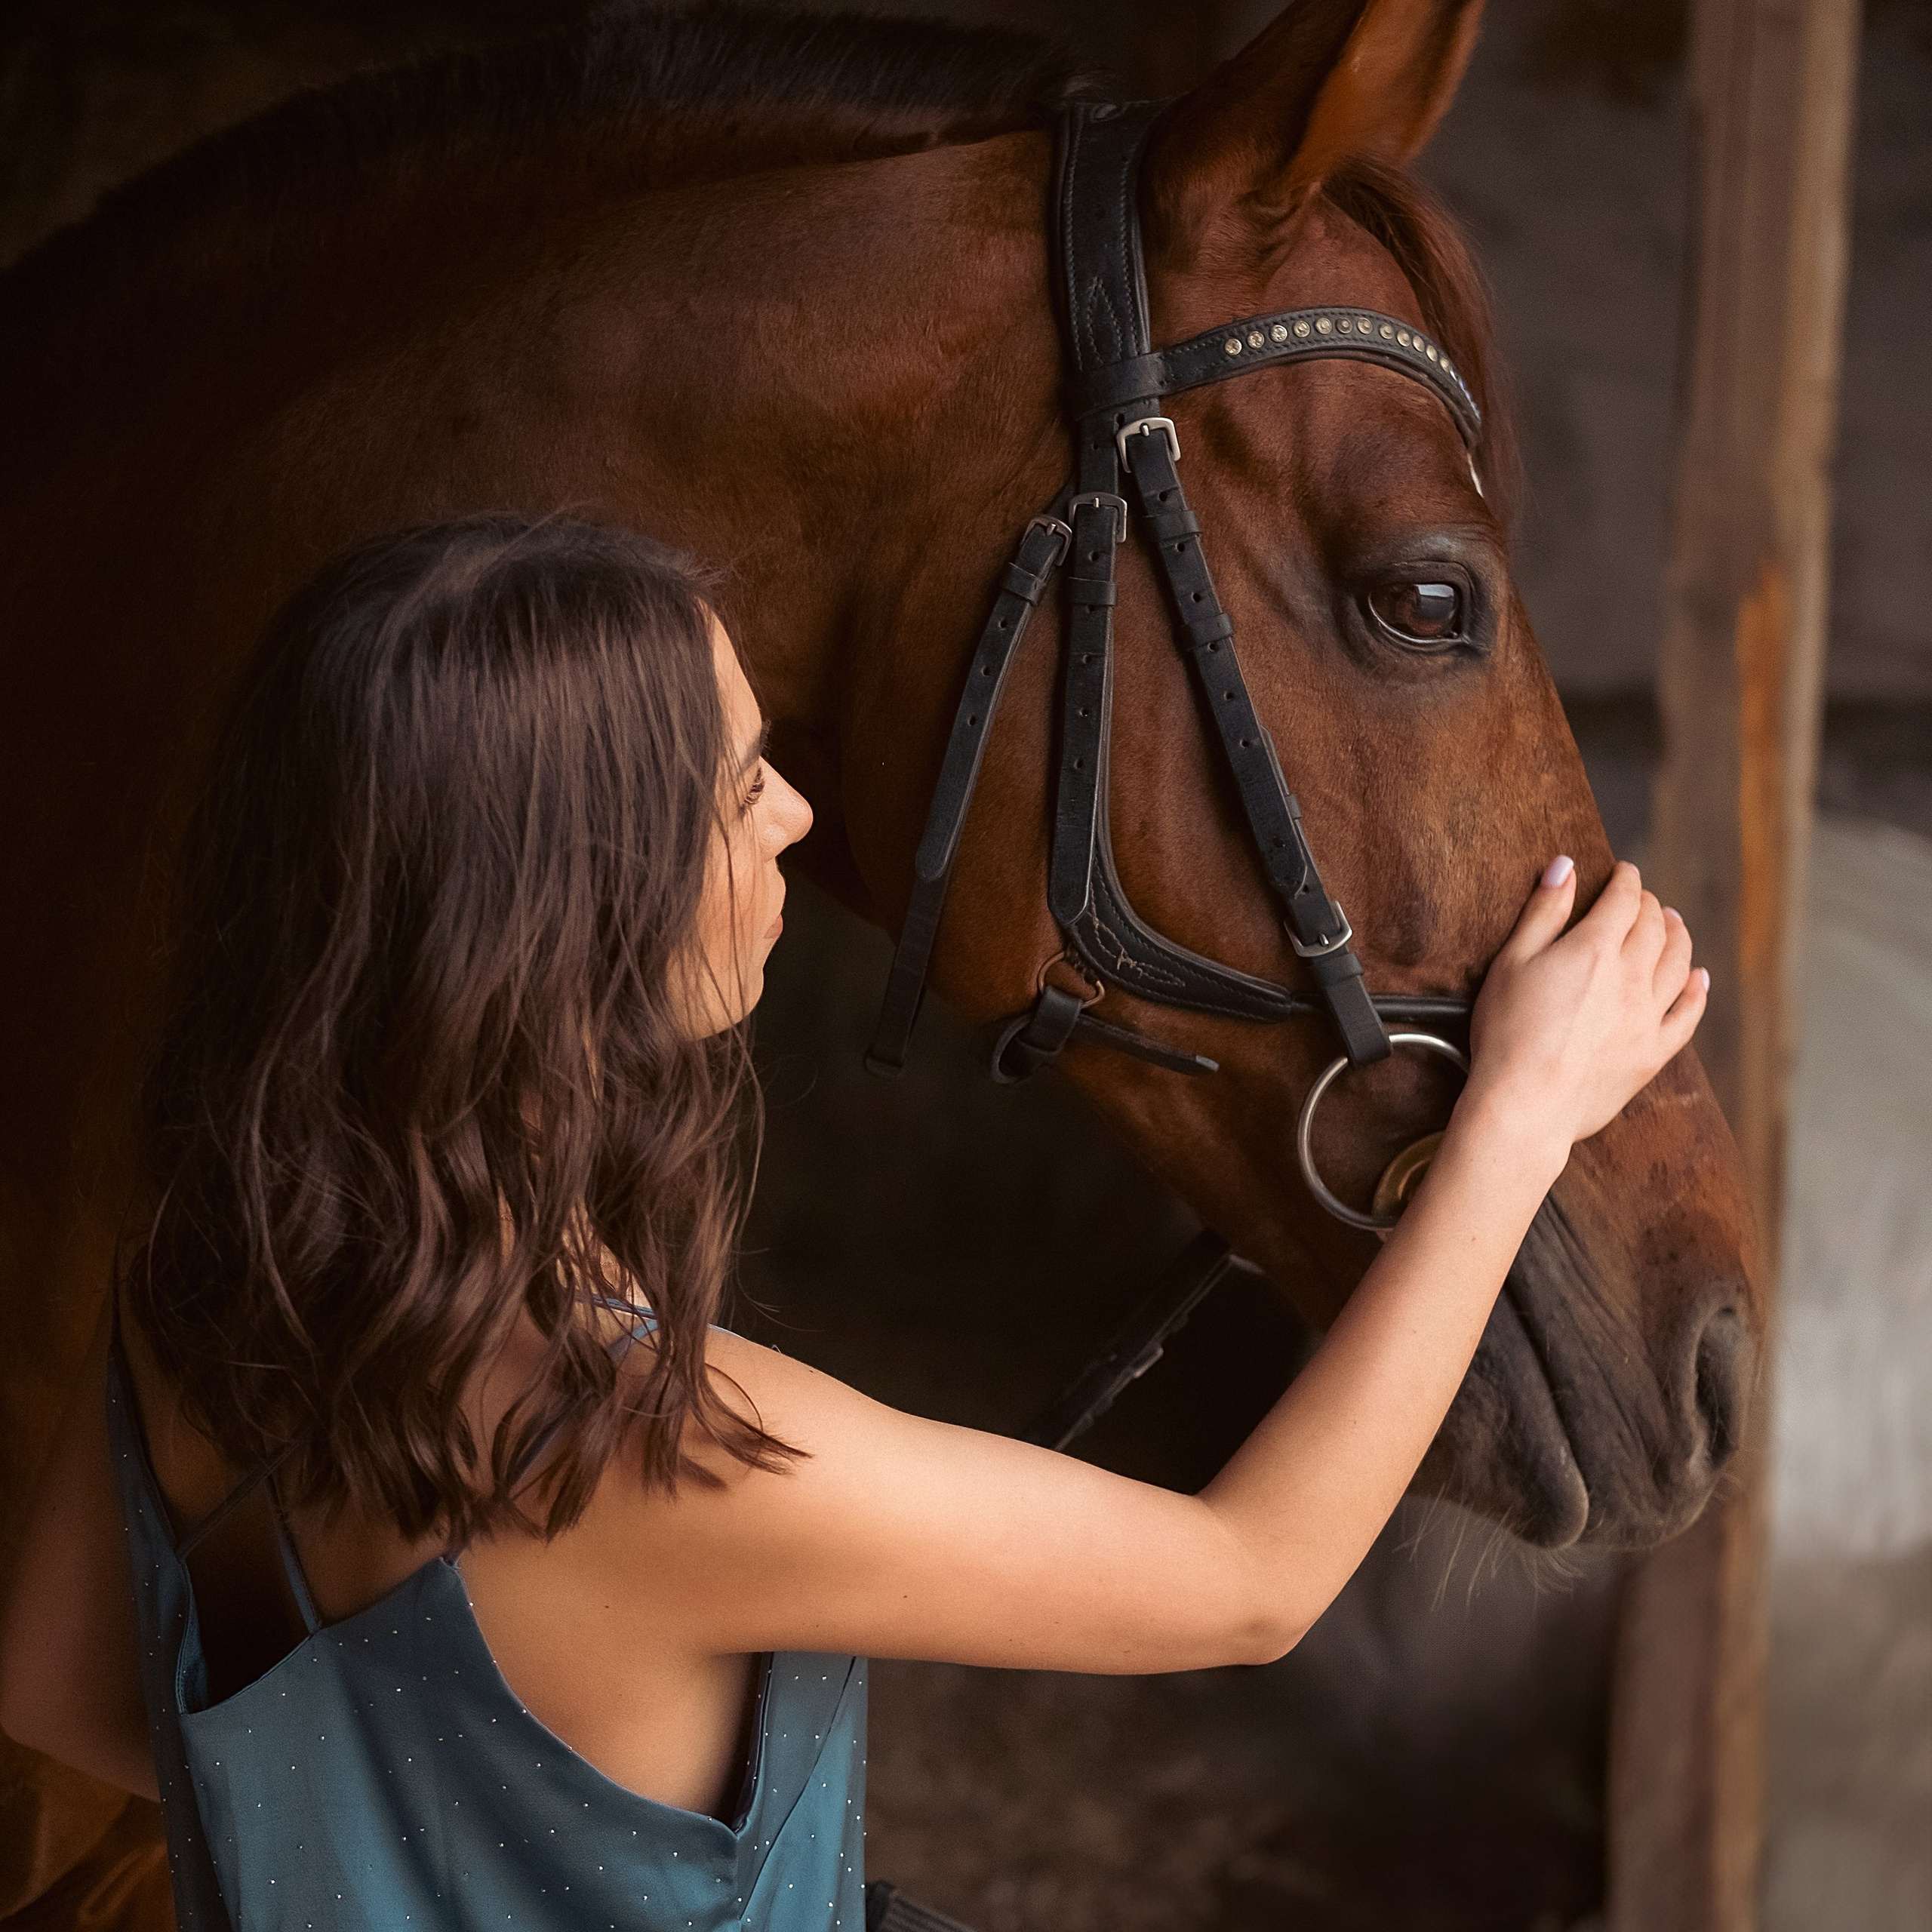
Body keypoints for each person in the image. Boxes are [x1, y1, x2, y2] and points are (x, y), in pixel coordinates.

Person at [0, 514, 1707, 1931]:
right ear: (567, 911)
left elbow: (59, 1680)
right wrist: (1510, 1124)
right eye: (740, 787)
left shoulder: (200, 1281)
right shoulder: (661, 1454)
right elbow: (1246, 1579)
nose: (796, 821)